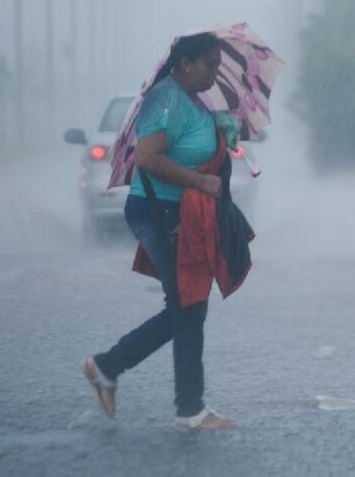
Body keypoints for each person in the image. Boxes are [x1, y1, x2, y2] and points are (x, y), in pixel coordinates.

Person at [82, 32, 237, 430]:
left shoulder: (193, 101)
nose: (216, 72)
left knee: (188, 306)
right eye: (210, 64)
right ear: (184, 63)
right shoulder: (165, 99)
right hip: (159, 212)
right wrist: (200, 182)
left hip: (182, 212)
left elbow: (197, 149)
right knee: (187, 305)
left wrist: (223, 131)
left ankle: (109, 367)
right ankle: (187, 409)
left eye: (219, 65)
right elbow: (149, 159)